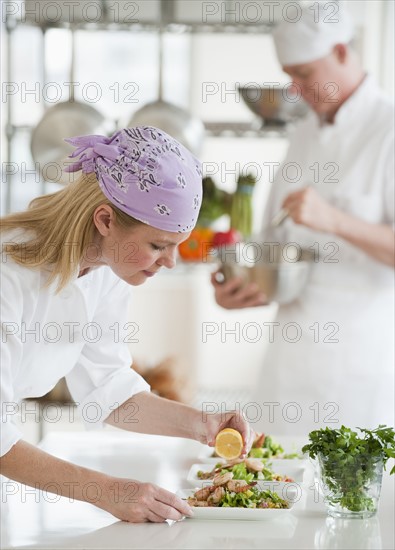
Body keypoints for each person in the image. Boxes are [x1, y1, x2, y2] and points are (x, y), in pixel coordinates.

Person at [0, 126, 254, 523]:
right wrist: (106, 491)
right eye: (159, 246)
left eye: (176, 244)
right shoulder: (8, 275)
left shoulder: (103, 267)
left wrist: (202, 424)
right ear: (104, 219)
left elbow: (110, 389)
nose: (170, 261)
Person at [212, 5, 394, 435]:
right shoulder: (304, 133)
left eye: (305, 73)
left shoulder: (388, 128)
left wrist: (335, 220)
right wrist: (238, 289)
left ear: (342, 53)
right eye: (288, 75)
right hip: (289, 363)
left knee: (353, 493)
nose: (294, 89)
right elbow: (274, 242)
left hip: (361, 365)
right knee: (273, 484)